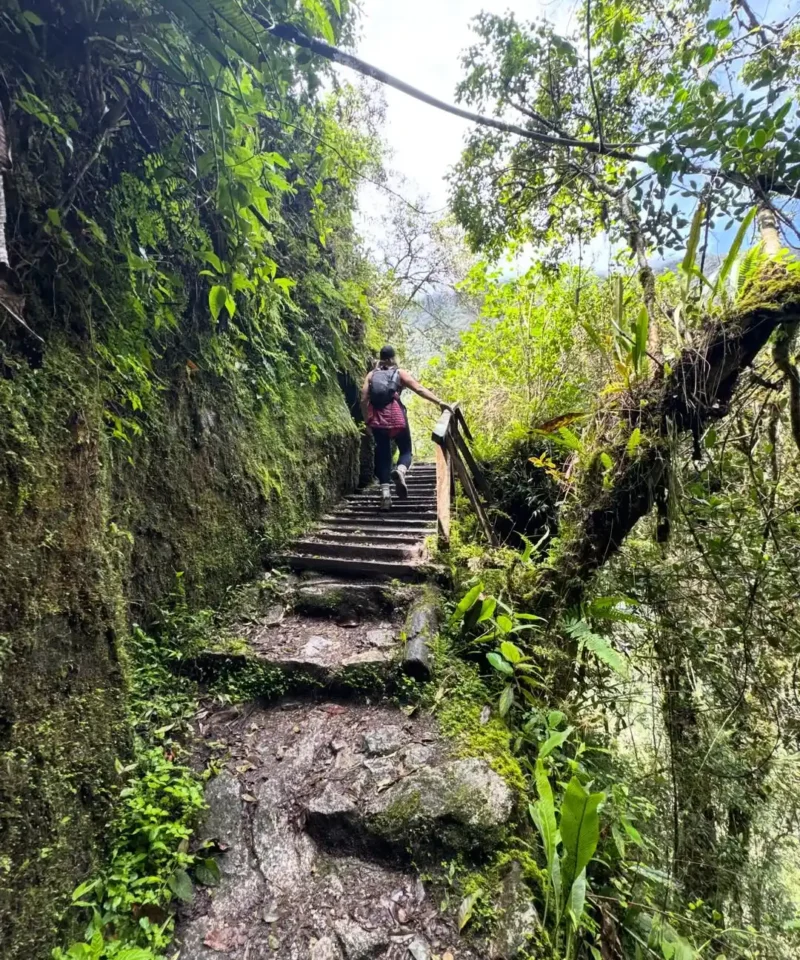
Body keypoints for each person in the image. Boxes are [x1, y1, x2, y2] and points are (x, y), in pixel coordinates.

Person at [360, 345, 452, 511]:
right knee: (406, 451)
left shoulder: (371, 375)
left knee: (383, 455)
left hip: (378, 422)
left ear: (381, 358)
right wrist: (439, 402)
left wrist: (367, 422)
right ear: (392, 358)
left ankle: (386, 496)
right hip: (397, 419)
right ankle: (401, 471)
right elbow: (419, 389)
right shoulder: (399, 373)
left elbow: (363, 400)